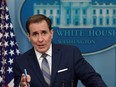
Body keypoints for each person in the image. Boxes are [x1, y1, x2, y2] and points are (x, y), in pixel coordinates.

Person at [13, 14, 107, 87]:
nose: (40, 39)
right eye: (35, 34)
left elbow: (93, 80)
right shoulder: (21, 62)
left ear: (51, 33)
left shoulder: (71, 54)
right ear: (29, 37)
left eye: (44, 33)